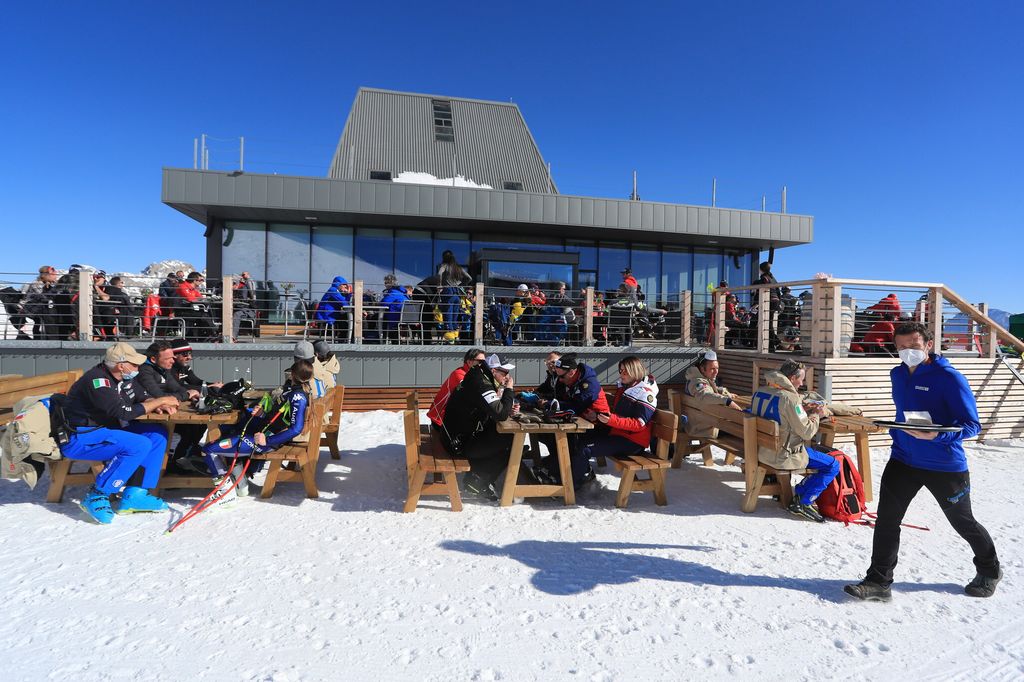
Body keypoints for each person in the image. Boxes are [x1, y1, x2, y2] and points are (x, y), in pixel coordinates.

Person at [844, 322, 1001, 602]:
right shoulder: (897, 374)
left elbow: (972, 425)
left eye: (914, 345)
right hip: (903, 459)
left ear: (928, 345)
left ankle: (990, 570)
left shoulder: (950, 378)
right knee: (887, 520)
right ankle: (879, 582)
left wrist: (936, 436)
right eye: (901, 347)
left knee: (963, 522)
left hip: (944, 466)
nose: (908, 351)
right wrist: (894, 428)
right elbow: (906, 413)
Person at [60, 342, 180, 523]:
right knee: (139, 444)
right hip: (81, 436)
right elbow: (123, 412)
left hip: (106, 430)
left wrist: (156, 404)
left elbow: (140, 396)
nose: (138, 368)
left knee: (156, 435)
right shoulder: (98, 381)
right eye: (134, 364)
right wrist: (159, 401)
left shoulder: (122, 378)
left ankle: (135, 494)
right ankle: (97, 494)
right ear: (121, 365)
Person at [201, 360, 314, 503]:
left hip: (266, 441)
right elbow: (279, 417)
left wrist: (268, 440)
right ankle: (240, 482)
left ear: (292, 374)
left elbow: (296, 428)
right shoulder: (291, 390)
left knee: (208, 450)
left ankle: (224, 492)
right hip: (263, 434)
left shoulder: (297, 396)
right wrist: (262, 414)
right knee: (228, 428)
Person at [749, 360, 838, 522]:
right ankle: (803, 501)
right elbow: (807, 432)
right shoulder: (790, 398)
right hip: (784, 455)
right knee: (833, 465)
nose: (802, 384)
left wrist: (801, 412)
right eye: (801, 379)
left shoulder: (760, 391)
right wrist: (816, 414)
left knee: (819, 456)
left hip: (763, 451)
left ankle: (798, 493)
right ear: (791, 378)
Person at [439, 353, 518, 499]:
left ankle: (478, 475)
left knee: (503, 435)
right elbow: (500, 414)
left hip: (455, 435)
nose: (507, 377)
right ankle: (477, 481)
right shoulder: (481, 383)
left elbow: (492, 408)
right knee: (511, 442)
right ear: (493, 370)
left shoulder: (478, 375)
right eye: (505, 372)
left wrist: (505, 407)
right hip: (457, 444)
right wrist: (509, 389)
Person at [574, 356, 659, 486]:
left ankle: (572, 485)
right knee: (577, 437)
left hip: (632, 442)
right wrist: (597, 416)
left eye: (625, 371)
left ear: (635, 371)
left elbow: (639, 424)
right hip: (618, 433)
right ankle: (576, 474)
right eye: (620, 371)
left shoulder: (646, 393)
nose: (621, 374)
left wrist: (611, 420)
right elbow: (618, 414)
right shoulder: (626, 387)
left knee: (584, 448)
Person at [536, 353, 610, 487]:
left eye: (562, 377)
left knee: (574, 445)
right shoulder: (573, 379)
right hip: (580, 423)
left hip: (597, 427)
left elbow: (576, 405)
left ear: (571, 372)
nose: (560, 380)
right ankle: (557, 466)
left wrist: (551, 404)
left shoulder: (588, 384)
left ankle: (571, 483)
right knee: (548, 434)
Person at [683, 350, 742, 441]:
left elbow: (709, 389)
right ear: (702, 369)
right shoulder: (697, 382)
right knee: (743, 429)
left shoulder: (699, 379)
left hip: (702, 424)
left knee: (738, 426)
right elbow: (705, 395)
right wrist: (727, 401)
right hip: (704, 429)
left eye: (717, 368)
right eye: (712, 369)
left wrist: (725, 393)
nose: (716, 372)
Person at [427, 348, 486, 430]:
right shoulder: (459, 374)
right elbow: (473, 394)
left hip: (453, 417)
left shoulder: (474, 375)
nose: (483, 365)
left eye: (484, 362)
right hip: (441, 420)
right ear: (469, 362)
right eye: (480, 362)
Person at [17, 265, 60, 339]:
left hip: (40, 308)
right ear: (46, 275)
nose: (55, 276)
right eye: (53, 274)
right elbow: (44, 297)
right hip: (30, 308)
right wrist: (56, 287)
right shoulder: (37, 284)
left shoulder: (48, 284)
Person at [438, 250, 471, 342]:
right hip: (457, 294)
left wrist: (440, 285)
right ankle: (455, 337)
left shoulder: (445, 266)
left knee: (448, 315)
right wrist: (461, 285)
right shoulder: (458, 268)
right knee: (455, 316)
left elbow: (439, 274)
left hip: (448, 293)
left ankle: (450, 339)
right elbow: (469, 278)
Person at [176, 272, 217, 340]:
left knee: (204, 315)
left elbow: (200, 297)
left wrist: (207, 299)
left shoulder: (193, 289)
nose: (202, 282)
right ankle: (214, 334)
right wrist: (201, 299)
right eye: (201, 280)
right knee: (203, 315)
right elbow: (190, 299)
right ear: (194, 280)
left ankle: (204, 338)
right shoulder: (183, 286)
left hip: (188, 310)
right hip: (180, 311)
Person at [753, 261, 781, 350]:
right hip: (775, 301)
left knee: (766, 323)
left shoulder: (764, 278)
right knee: (769, 323)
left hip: (769, 301)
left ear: (761, 269)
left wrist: (756, 303)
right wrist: (779, 302)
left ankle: (774, 341)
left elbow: (761, 290)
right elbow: (778, 291)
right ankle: (773, 343)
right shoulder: (773, 278)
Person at [315, 276, 353, 341]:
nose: (345, 288)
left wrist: (347, 295)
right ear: (339, 285)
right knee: (344, 319)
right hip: (325, 315)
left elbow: (344, 302)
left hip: (329, 314)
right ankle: (343, 338)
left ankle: (343, 338)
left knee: (344, 318)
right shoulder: (333, 290)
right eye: (344, 286)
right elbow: (343, 302)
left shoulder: (335, 291)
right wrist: (348, 294)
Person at [380, 274, 410, 343]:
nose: (384, 284)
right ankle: (388, 339)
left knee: (378, 317)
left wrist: (375, 303)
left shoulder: (393, 292)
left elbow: (384, 302)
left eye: (385, 282)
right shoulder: (402, 292)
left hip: (396, 316)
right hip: (406, 316)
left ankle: (382, 338)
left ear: (390, 283)